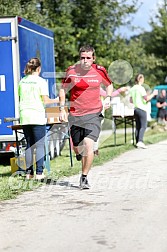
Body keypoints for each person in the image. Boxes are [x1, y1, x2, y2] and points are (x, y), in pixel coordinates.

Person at [59, 45, 113, 189]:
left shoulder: (100, 71)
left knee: (89, 144)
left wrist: (108, 98)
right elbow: (63, 90)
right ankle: (78, 152)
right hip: (75, 115)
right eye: (82, 58)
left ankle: (84, 177)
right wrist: (62, 108)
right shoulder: (71, 71)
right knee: (77, 147)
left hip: (94, 114)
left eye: (88, 58)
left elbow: (109, 86)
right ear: (79, 58)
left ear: (93, 59)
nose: (85, 61)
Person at [18, 57, 59, 180]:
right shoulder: (41, 81)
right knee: (39, 145)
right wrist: (56, 100)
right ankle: (39, 173)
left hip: (25, 116)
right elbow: (46, 101)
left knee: (29, 145)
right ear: (39, 68)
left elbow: (21, 98)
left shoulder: (22, 81)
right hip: (37, 115)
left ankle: (29, 173)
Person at [93, 86, 129, 155]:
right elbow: (109, 95)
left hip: (95, 113)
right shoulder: (97, 88)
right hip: (97, 113)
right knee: (96, 132)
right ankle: (94, 150)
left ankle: (93, 150)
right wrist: (120, 90)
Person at [129, 74, 158, 149]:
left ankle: (137, 142)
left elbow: (131, 100)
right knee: (143, 126)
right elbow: (146, 98)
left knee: (138, 126)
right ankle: (140, 141)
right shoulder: (141, 88)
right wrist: (153, 94)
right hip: (142, 108)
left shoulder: (132, 89)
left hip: (135, 109)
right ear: (140, 79)